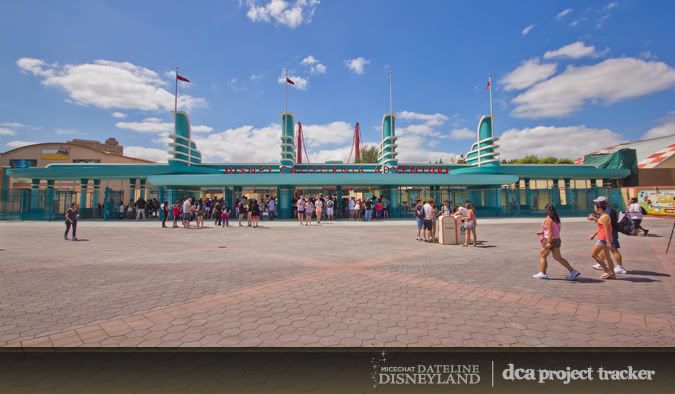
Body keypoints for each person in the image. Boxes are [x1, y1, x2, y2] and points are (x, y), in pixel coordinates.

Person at [533, 204, 581, 280]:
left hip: (549, 240)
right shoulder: (556, 219)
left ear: (546, 211)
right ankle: (573, 271)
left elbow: (550, 232)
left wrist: (548, 242)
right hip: (557, 240)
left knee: (543, 256)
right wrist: (542, 232)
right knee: (558, 258)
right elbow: (555, 230)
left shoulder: (548, 219)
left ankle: (543, 273)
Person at [590, 196, 626, 275]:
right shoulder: (607, 211)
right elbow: (602, 224)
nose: (595, 205)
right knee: (606, 254)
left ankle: (618, 267)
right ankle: (609, 270)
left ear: (601, 205)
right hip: (607, 235)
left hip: (609, 234)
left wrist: (595, 218)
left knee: (613, 250)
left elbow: (605, 225)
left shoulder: (607, 212)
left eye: (597, 203)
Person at [588, 199, 616, 279]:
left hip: (603, 239)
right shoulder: (604, 216)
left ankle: (607, 271)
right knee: (608, 257)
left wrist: (608, 242)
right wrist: (594, 234)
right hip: (605, 239)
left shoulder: (604, 217)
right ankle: (612, 273)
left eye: (595, 208)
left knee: (594, 254)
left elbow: (606, 230)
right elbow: (601, 228)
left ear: (599, 208)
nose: (594, 209)